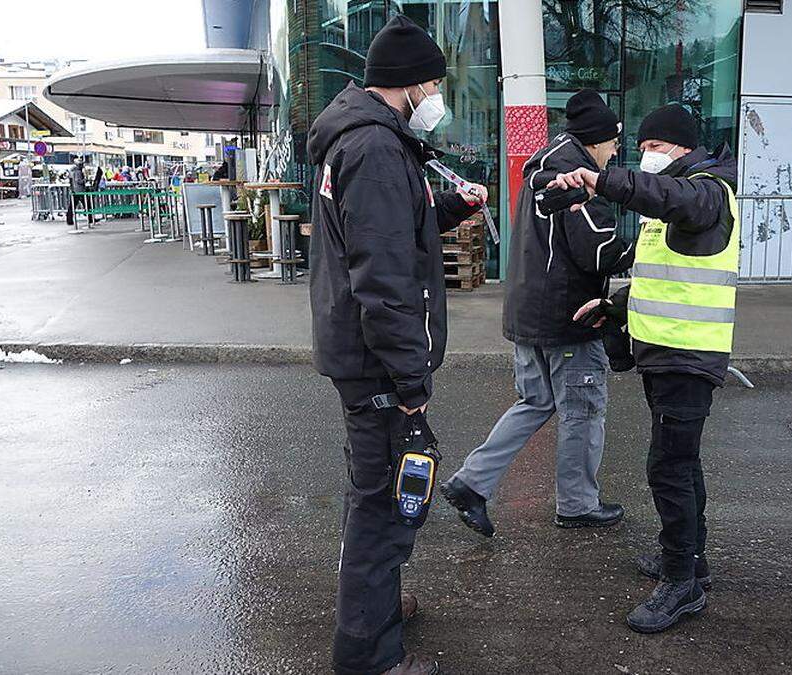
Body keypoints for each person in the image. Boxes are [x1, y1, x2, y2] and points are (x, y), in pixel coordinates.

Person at [307, 14, 487, 675]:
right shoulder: (377, 151)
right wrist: (412, 387)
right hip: (375, 362)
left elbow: (391, 233)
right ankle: (370, 655)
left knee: (380, 499)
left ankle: (377, 609)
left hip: (360, 355)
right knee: (382, 510)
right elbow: (382, 283)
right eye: (434, 82)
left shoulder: (365, 143)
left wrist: (455, 209)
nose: (436, 94)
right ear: (409, 85)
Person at [551, 103, 739, 634]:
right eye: (644, 147)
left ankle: (680, 584)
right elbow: (666, 277)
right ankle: (689, 562)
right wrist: (615, 307)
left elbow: (676, 199)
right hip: (665, 350)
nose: (646, 155)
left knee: (668, 468)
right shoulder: (679, 200)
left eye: (655, 147)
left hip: (688, 357)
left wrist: (604, 180)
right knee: (683, 464)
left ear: (681, 147)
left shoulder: (707, 191)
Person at [439, 89, 634, 538]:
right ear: (596, 139)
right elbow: (598, 251)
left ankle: (471, 482)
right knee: (582, 410)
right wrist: (647, 249)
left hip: (529, 312)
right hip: (567, 318)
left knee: (535, 401)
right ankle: (578, 504)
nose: (616, 149)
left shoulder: (543, 165)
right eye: (613, 141)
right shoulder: (575, 177)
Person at [66, 158, 92, 226]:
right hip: (80, 191)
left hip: (75, 190)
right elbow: (79, 181)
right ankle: (90, 218)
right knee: (87, 204)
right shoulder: (78, 172)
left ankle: (69, 219)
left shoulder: (73, 171)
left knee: (73, 206)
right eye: (81, 164)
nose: (82, 165)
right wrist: (85, 180)